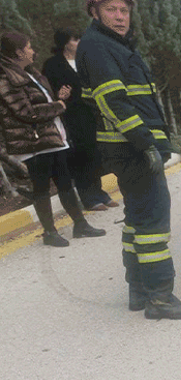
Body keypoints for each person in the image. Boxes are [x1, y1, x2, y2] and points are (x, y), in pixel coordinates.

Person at [76, 0, 181, 320]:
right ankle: (160, 297)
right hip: (131, 149)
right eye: (110, 9)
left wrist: (165, 137)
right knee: (153, 222)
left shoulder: (113, 45)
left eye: (124, 9)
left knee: (136, 219)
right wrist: (147, 143)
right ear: (94, 11)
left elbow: (138, 102)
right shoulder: (99, 46)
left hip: (126, 148)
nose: (119, 16)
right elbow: (112, 101)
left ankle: (138, 290)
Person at [0, 31, 106, 247]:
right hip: (33, 141)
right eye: (28, 47)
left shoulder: (29, 73)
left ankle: (80, 225)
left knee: (65, 181)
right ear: (18, 52)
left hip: (51, 136)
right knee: (41, 187)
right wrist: (58, 106)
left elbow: (40, 104)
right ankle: (50, 232)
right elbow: (24, 111)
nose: (32, 50)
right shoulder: (5, 78)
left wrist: (58, 99)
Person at [42, 28, 119, 212]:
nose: (80, 42)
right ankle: (89, 198)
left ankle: (99, 192)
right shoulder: (53, 65)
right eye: (75, 39)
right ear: (64, 43)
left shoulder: (85, 60)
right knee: (80, 157)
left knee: (94, 154)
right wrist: (59, 95)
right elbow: (46, 91)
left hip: (92, 113)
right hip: (71, 117)